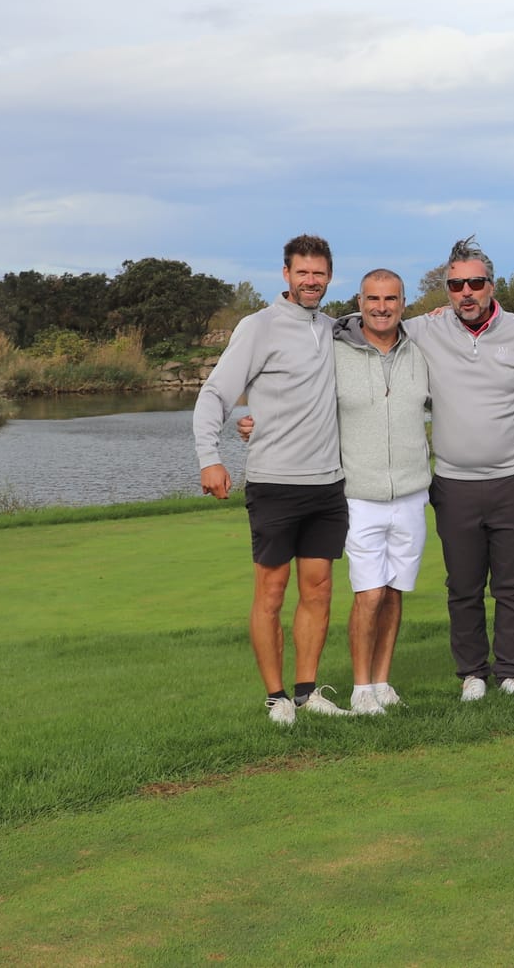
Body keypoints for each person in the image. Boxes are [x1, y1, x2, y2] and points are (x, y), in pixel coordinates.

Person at [247, 269, 431, 714]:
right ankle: (361, 689)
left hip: (411, 492)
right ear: (359, 302)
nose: (382, 307)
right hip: (357, 492)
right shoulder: (333, 347)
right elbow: (293, 394)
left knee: (393, 592)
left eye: (391, 299)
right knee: (369, 593)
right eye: (373, 299)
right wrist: (258, 421)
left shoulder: (421, 348)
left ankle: (382, 682)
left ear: (403, 303)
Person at [193, 234, 350, 727]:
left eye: (318, 273)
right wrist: (210, 457)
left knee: (318, 590)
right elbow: (216, 394)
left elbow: (385, 323)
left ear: (329, 276)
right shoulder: (258, 326)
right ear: (286, 274)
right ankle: (275, 697)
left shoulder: (334, 329)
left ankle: (306, 692)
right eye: (302, 272)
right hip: (275, 483)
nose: (311, 281)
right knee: (271, 592)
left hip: (328, 483)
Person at [407, 235, 514, 702]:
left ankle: (510, 675)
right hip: (455, 485)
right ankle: (472, 674)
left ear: (492, 285)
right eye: (455, 285)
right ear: (446, 290)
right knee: (463, 587)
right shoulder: (425, 330)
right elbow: (365, 326)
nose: (465, 292)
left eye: (474, 283)